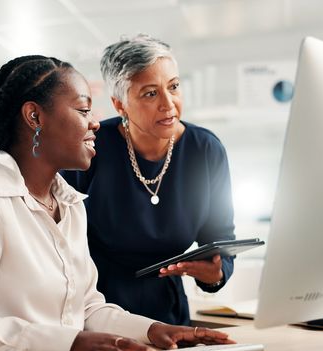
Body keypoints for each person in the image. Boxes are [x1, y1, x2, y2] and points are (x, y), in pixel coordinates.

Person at [0, 55, 234, 351]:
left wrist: (154, 330)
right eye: (83, 110)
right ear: (34, 117)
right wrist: (71, 343)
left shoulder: (71, 203)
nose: (95, 123)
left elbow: (87, 308)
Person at [62, 35, 236, 326]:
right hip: (96, 311)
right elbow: (57, 242)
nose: (169, 104)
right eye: (150, 93)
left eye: (174, 87)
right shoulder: (89, 147)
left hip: (169, 314)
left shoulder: (205, 150)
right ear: (120, 104)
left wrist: (216, 273)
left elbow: (220, 239)